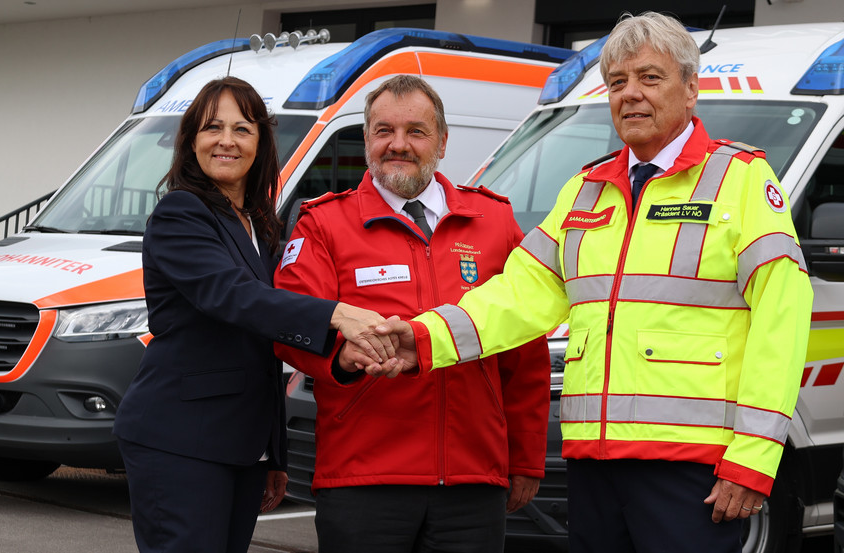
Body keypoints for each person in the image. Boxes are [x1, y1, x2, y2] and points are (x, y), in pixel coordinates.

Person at [375, 12, 814, 553]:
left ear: (692, 88)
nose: (630, 95)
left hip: (693, 469)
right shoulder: (584, 191)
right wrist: (421, 338)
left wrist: (754, 455)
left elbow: (783, 318)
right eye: (617, 82)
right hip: (593, 463)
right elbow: (516, 296)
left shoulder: (741, 181)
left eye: (649, 78)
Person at [112, 76, 394, 553]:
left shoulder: (259, 223)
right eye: (212, 128)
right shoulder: (180, 214)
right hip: (180, 440)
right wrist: (338, 314)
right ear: (191, 141)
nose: (226, 141)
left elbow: (264, 348)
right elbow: (233, 296)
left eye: (242, 129)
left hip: (240, 445)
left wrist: (272, 453)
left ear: (261, 142)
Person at [273, 75, 551, 553]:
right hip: (364, 476)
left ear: (442, 142)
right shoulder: (324, 223)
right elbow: (290, 324)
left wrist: (525, 457)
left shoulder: (493, 221)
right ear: (366, 141)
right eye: (383, 131)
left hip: (471, 479)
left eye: (416, 132)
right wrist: (342, 357)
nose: (397, 145)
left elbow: (525, 349)